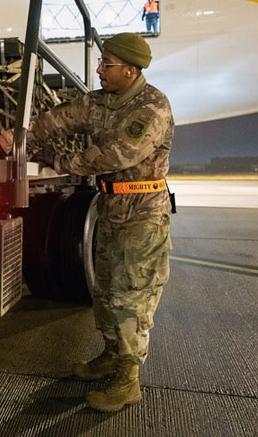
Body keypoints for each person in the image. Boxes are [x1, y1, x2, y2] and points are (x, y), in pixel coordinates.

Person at [28, 33, 174, 412]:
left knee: (130, 295)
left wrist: (61, 163)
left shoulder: (152, 106)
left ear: (130, 70)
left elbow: (118, 153)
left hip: (142, 214)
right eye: (100, 62)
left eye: (107, 64)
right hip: (111, 207)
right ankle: (111, 355)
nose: (99, 70)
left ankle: (128, 381)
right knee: (106, 289)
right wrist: (21, 135)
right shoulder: (99, 102)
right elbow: (60, 119)